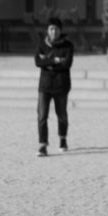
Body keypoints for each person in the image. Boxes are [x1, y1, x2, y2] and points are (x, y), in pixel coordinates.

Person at [35, 17, 74, 157]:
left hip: (61, 85)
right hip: (45, 85)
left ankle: (62, 138)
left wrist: (47, 61)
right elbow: (37, 62)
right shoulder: (42, 44)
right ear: (47, 30)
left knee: (61, 114)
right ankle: (42, 145)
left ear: (60, 30)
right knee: (42, 115)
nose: (53, 31)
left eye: (56, 28)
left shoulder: (68, 46)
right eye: (51, 28)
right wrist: (55, 60)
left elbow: (67, 64)